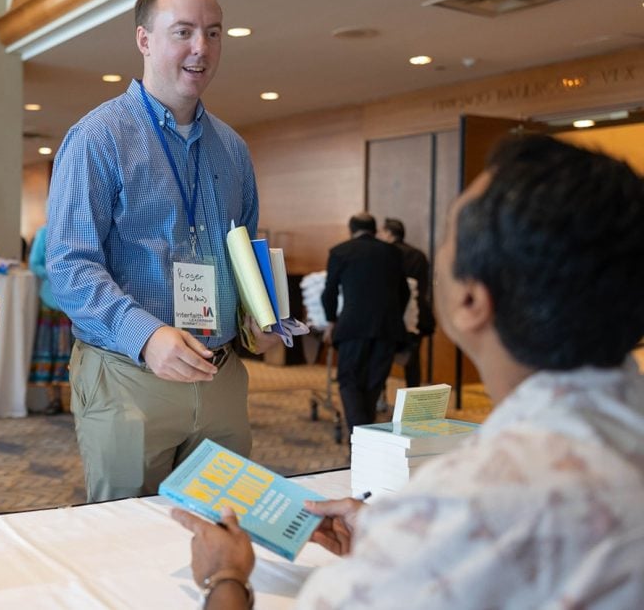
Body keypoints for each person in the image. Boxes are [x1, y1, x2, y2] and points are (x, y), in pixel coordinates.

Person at [173, 134, 644, 609]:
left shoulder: (465, 505)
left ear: (470, 301)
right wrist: (393, 541)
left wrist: (226, 578)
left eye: (448, 240)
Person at [47, 0, 281, 502]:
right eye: (183, 32)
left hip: (219, 374)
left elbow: (242, 251)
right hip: (129, 376)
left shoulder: (233, 149)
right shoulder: (98, 138)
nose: (202, 48)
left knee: (221, 530)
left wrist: (259, 313)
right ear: (144, 39)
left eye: (214, 32)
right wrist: (147, 336)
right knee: (129, 548)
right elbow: (71, 266)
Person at [321, 212, 409, 432]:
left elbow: (329, 292)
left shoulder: (341, 251)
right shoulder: (393, 252)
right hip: (387, 328)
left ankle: (358, 439)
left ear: (351, 229)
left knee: (349, 382)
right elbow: (404, 292)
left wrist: (331, 322)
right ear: (374, 229)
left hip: (352, 326)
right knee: (373, 384)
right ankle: (366, 441)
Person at [378, 217, 435, 387]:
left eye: (381, 232)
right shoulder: (419, 255)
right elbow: (424, 286)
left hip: (389, 314)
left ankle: (378, 400)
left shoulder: (385, 254)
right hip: (418, 314)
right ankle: (413, 402)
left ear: (389, 233)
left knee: (382, 359)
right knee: (412, 361)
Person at [28, 224, 71, 414]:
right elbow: (34, 263)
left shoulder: (75, 230)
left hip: (73, 302)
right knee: (50, 348)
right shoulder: (44, 233)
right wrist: (53, 272)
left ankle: (75, 399)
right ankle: (54, 399)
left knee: (72, 350)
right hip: (50, 299)